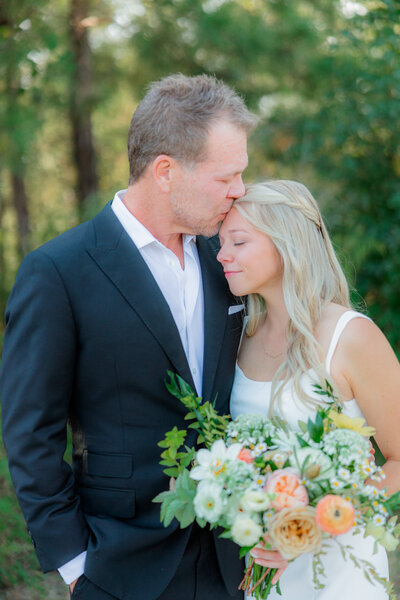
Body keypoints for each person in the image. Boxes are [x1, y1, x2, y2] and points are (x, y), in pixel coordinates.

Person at [0, 74, 257, 600]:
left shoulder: (227, 260)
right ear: (166, 171)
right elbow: (31, 431)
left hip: (231, 563)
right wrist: (76, 565)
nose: (240, 191)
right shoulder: (58, 271)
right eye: (226, 176)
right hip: (118, 565)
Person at [217, 180, 400, 600]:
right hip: (260, 569)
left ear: (287, 243)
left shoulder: (350, 337)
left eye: (238, 242)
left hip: (337, 573)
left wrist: (312, 524)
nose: (222, 255)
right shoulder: (241, 336)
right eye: (221, 242)